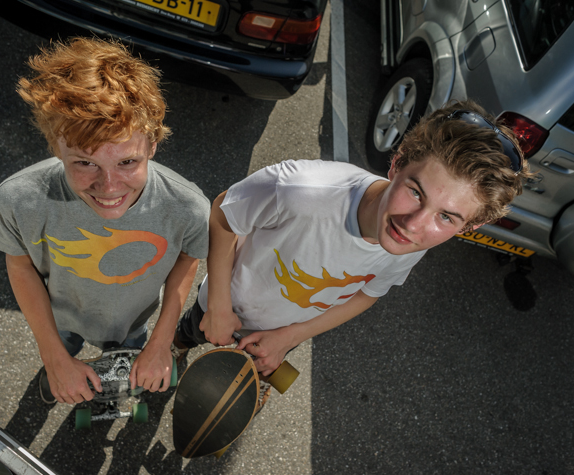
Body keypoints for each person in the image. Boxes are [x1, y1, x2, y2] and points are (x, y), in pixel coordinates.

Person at [174, 99, 530, 399]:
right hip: (223, 301)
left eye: (446, 217)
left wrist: (288, 337)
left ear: (469, 227)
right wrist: (218, 306)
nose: (413, 224)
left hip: (284, 331)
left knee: (243, 384)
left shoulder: (413, 243)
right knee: (191, 330)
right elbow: (223, 212)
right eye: (415, 192)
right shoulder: (300, 190)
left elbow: (367, 293)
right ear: (397, 163)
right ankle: (175, 348)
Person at [0, 38, 210, 405]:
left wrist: (160, 341)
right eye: (85, 162)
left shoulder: (188, 208)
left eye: (127, 162)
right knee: (64, 350)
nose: (109, 187)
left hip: (135, 320)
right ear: (56, 147)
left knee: (129, 351)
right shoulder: (17, 201)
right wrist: (53, 357)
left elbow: (188, 257)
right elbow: (20, 263)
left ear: (152, 144)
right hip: (61, 317)